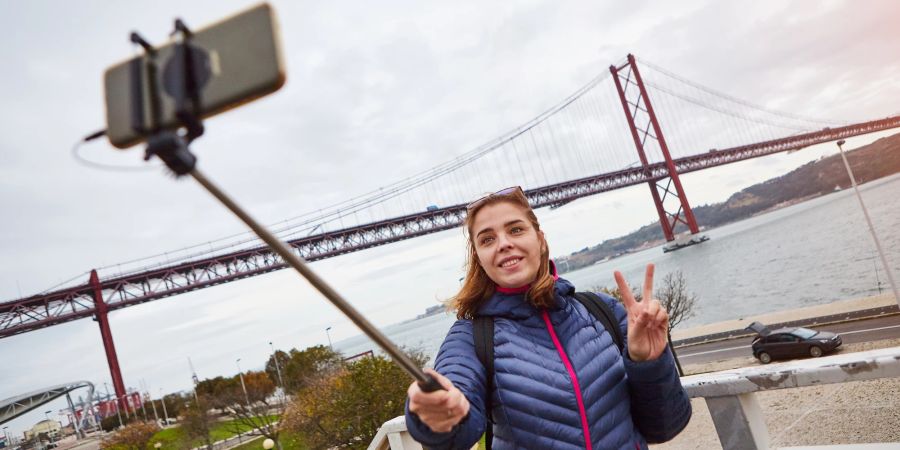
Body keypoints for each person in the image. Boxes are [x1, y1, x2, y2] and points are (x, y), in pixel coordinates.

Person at [405, 186, 691, 449]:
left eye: (515, 230)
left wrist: (649, 362)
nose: (503, 243)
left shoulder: (601, 310)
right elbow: (456, 406)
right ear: (479, 257)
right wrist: (439, 414)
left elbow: (665, 427)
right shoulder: (470, 337)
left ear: (541, 240)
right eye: (488, 239)